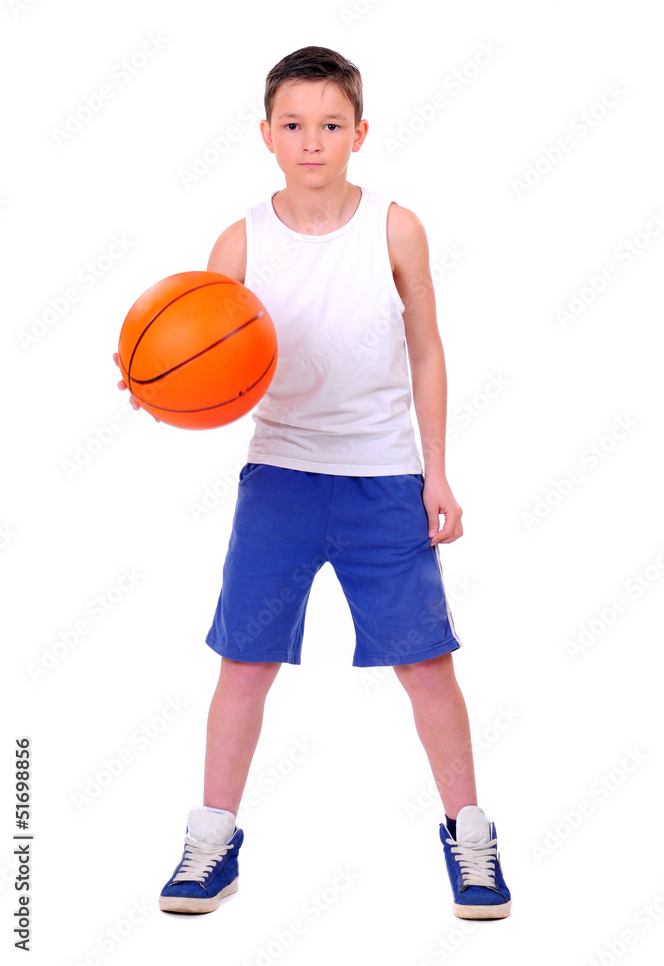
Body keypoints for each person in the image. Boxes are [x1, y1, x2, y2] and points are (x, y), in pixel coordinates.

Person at [113, 45, 511, 921]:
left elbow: (427, 347)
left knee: (427, 664)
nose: (312, 141)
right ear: (266, 134)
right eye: (293, 125)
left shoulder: (397, 227)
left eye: (331, 125)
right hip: (280, 480)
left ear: (359, 132)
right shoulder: (241, 238)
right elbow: (200, 351)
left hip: (383, 479)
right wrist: (155, 387)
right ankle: (212, 841)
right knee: (244, 664)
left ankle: (470, 836)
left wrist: (437, 470)